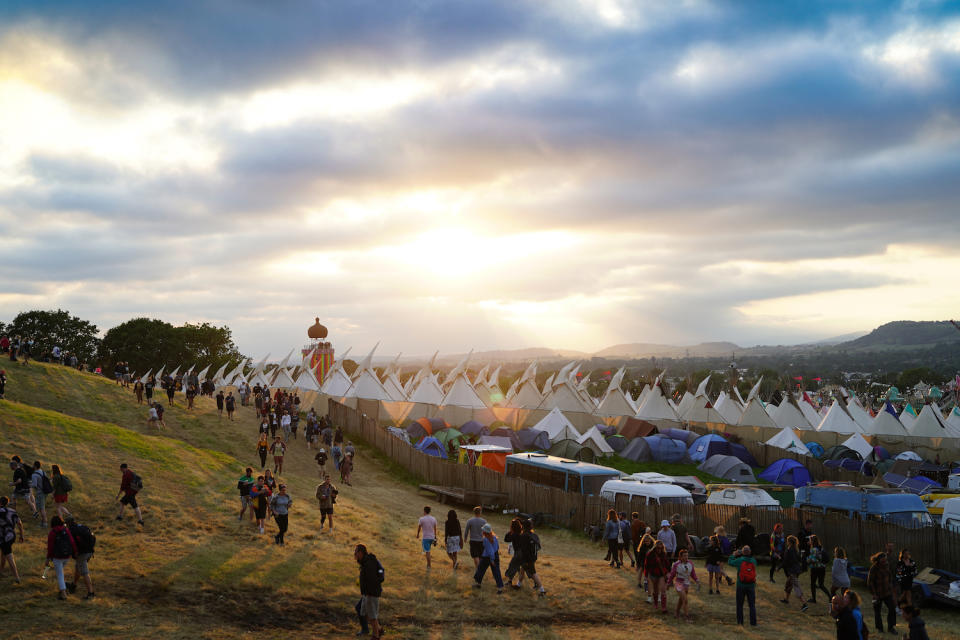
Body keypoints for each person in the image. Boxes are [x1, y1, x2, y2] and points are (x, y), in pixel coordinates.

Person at [355, 544, 384, 639]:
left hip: (371, 593)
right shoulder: (366, 561)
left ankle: (376, 636)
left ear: (360, 552)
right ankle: (379, 629)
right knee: (365, 613)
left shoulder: (368, 563)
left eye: (356, 552)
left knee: (372, 616)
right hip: (367, 593)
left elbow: (372, 579)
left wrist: (369, 593)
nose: (354, 555)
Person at [45, 515, 77, 600]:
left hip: (57, 557)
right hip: (67, 556)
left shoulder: (53, 532)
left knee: (60, 575)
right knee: (60, 572)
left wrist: (48, 558)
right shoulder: (66, 530)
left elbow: (50, 547)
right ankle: (63, 588)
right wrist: (75, 552)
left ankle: (63, 594)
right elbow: (72, 541)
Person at [64, 515, 95, 599]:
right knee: (78, 567)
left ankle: (90, 593)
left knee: (84, 573)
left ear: (67, 523)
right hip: (90, 551)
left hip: (82, 553)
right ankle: (73, 585)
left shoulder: (71, 531)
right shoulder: (82, 526)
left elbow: (71, 544)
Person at [728, 545, 758, 626]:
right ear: (750, 552)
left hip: (741, 585)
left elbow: (730, 562)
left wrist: (734, 554)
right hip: (751, 585)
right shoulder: (753, 561)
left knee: (740, 605)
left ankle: (740, 622)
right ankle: (753, 622)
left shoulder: (740, 560)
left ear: (742, 552)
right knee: (752, 605)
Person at [868, 551, 897, 634]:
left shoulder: (887, 566)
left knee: (892, 608)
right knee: (877, 612)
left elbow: (890, 578)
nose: (885, 561)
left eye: (885, 560)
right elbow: (870, 582)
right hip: (877, 594)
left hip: (887, 593)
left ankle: (891, 627)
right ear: (879, 560)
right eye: (883, 560)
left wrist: (891, 589)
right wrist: (874, 594)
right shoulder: (874, 568)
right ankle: (879, 628)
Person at [667, 548, 699, 621]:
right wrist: (668, 583)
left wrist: (696, 580)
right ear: (680, 557)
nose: (686, 557)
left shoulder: (690, 563)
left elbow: (692, 573)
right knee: (685, 600)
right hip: (679, 583)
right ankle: (686, 616)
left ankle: (676, 612)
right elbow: (672, 575)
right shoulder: (676, 564)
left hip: (686, 583)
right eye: (684, 556)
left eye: (687, 556)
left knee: (681, 599)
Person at [473, 524, 504, 593]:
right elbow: (497, 547)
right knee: (496, 572)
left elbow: (490, 551)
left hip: (488, 557)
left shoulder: (486, 540)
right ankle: (500, 588)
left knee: (480, 570)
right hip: (495, 555)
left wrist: (492, 559)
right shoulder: (495, 537)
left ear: (485, 532)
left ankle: (478, 584)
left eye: (483, 530)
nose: (482, 531)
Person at [780, 535, 808, 611]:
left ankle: (804, 604)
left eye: (787, 541)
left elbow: (785, 561)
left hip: (793, 571)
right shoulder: (795, 550)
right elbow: (799, 559)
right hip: (796, 570)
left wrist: (779, 567)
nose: (786, 542)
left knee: (796, 587)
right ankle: (786, 599)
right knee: (788, 584)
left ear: (789, 542)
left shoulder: (789, 550)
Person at [0, 496, 24, 584]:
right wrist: (21, 536)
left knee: (9, 556)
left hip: (3, 537)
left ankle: (17, 577)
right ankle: (1, 571)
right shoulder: (12, 511)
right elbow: (20, 524)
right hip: (11, 536)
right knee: (4, 553)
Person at [645, 539, 670, 613]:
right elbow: (646, 565)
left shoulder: (664, 554)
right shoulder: (650, 554)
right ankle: (655, 604)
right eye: (658, 548)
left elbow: (667, 565)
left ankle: (663, 608)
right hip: (653, 574)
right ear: (655, 547)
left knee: (663, 590)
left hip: (662, 574)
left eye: (661, 548)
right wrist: (646, 575)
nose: (660, 549)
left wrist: (669, 573)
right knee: (656, 591)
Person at [807, 534, 831, 603]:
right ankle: (830, 596)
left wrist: (806, 559)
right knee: (821, 584)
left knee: (813, 584)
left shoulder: (813, 549)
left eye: (810, 540)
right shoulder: (821, 548)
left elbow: (812, 560)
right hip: (822, 568)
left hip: (815, 569)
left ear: (812, 541)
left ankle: (814, 599)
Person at [31, 461, 50, 526]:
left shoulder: (34, 475)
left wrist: (28, 484)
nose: (32, 466)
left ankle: (44, 523)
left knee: (42, 508)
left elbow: (34, 485)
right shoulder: (43, 472)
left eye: (33, 465)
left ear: (35, 466)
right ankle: (43, 521)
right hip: (45, 491)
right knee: (41, 507)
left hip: (40, 492)